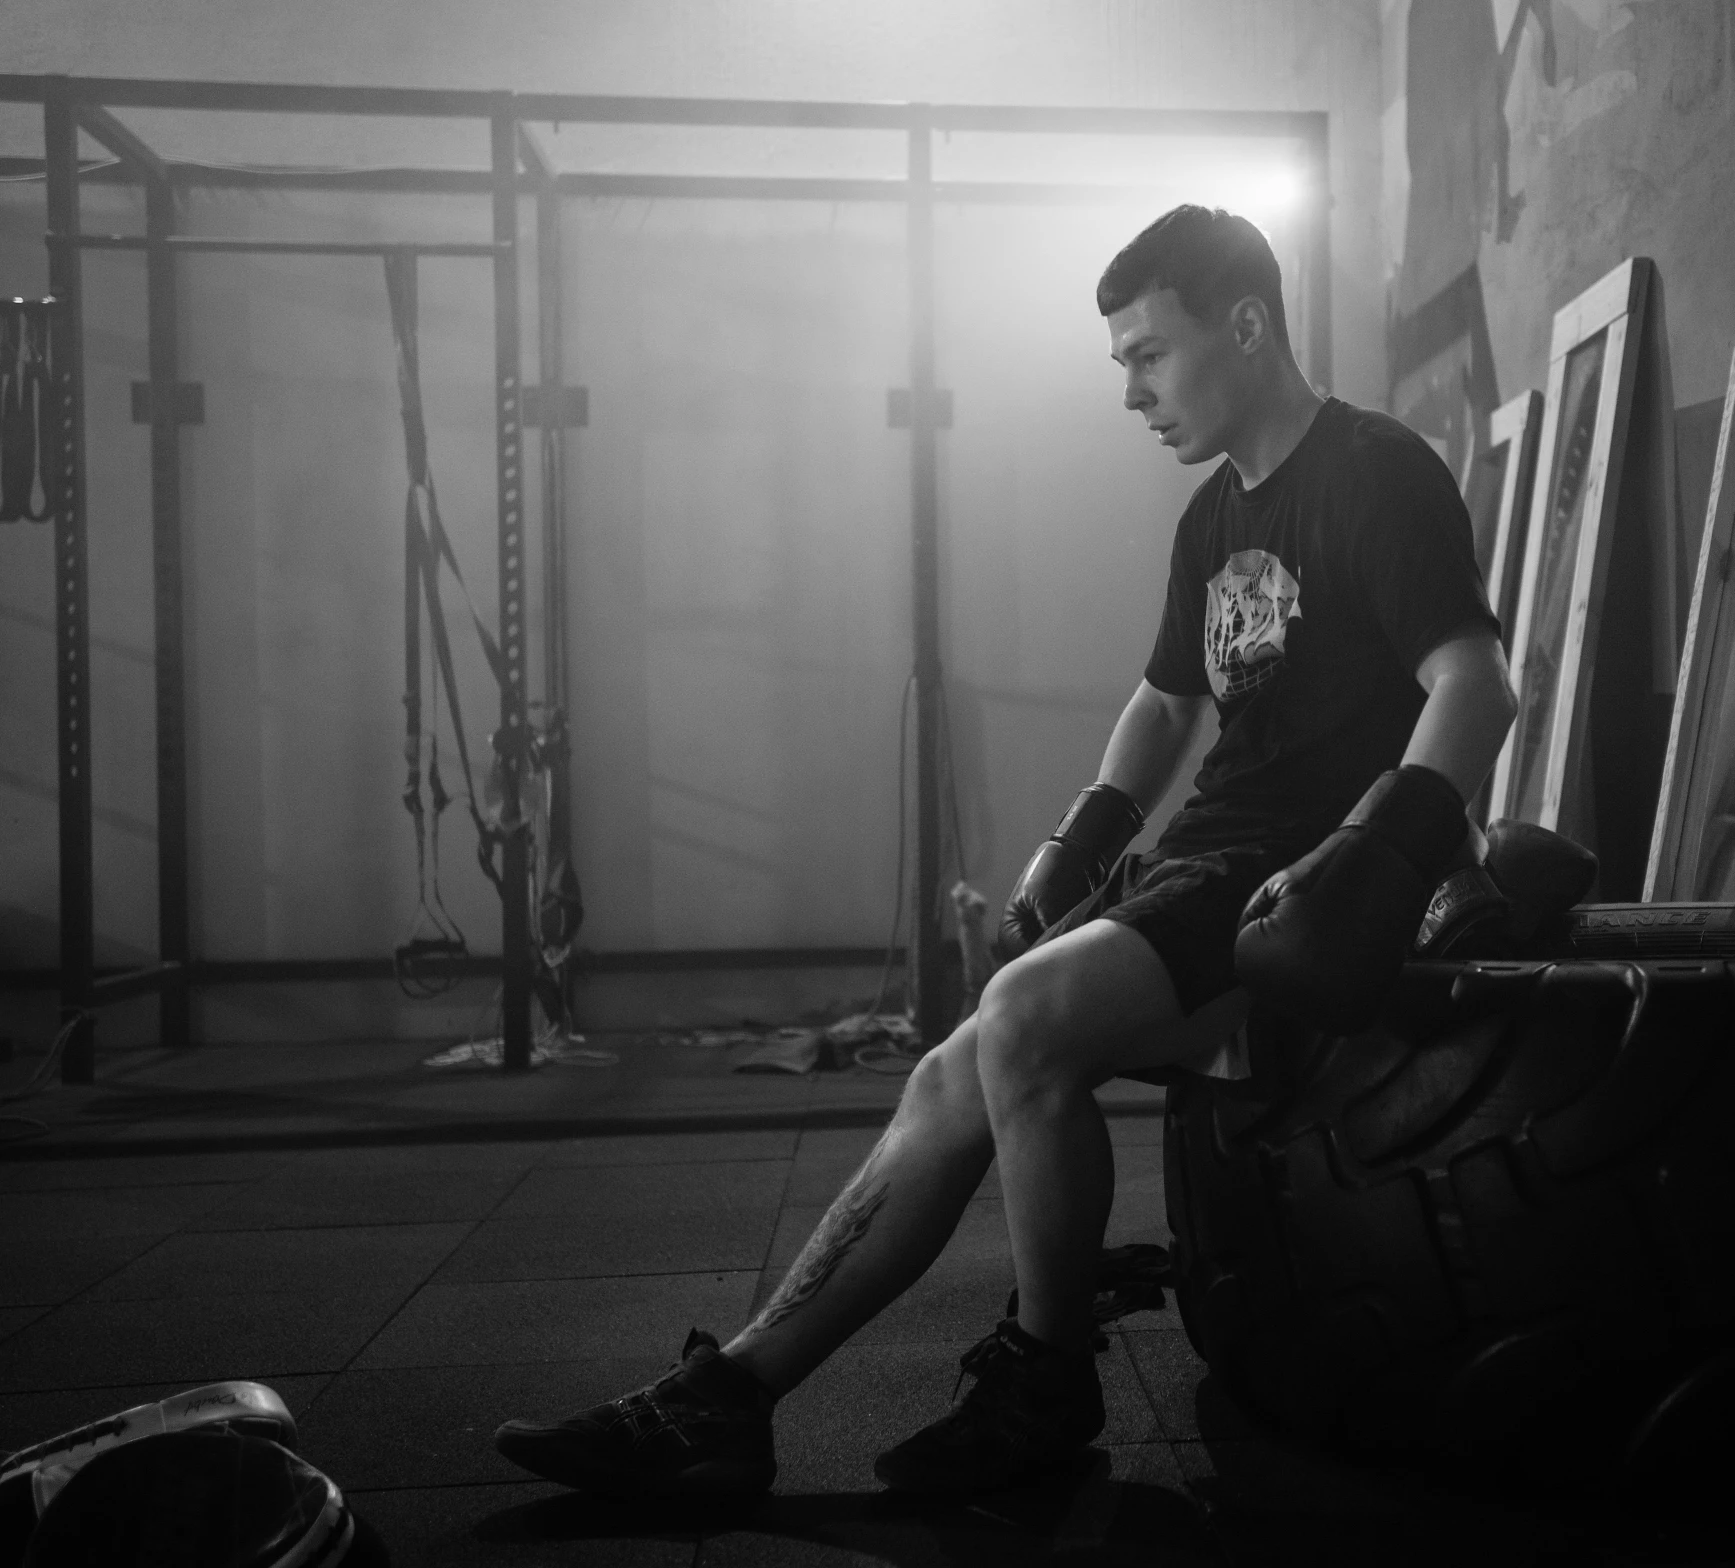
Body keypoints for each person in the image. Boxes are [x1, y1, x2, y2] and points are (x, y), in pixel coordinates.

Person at [492, 204, 1519, 1501]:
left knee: (1020, 1017)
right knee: (950, 1074)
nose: (1133, 390)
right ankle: (733, 1395)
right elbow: (1166, 703)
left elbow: (1473, 681)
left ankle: (1045, 1381)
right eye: (1121, 364)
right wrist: (1085, 835)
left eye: (1149, 353)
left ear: (1246, 325)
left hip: (1292, 872)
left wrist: (1389, 859)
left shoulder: (1375, 473)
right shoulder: (1215, 517)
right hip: (1206, 857)